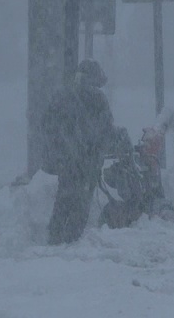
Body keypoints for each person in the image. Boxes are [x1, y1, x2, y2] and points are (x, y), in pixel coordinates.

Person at [40, 59, 117, 245]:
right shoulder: (98, 99)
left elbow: (47, 125)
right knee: (81, 204)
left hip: (67, 162)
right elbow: (107, 131)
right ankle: (71, 241)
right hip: (87, 162)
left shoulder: (63, 96)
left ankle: (55, 237)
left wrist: (59, 152)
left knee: (64, 199)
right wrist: (97, 154)